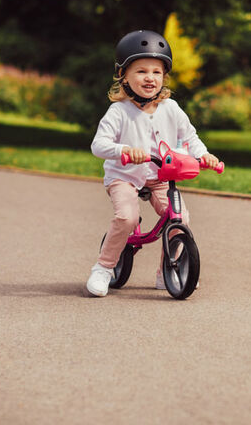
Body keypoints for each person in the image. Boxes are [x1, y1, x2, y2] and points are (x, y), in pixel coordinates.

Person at [86, 30, 220, 297]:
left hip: (161, 177)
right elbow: (98, 145)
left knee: (179, 217)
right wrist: (124, 150)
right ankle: (103, 268)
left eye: (157, 72)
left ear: (164, 77)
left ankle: (167, 272)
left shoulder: (171, 108)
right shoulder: (119, 111)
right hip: (124, 176)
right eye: (141, 71)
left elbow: (189, 136)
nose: (150, 78)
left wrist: (203, 155)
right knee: (127, 217)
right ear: (123, 75)